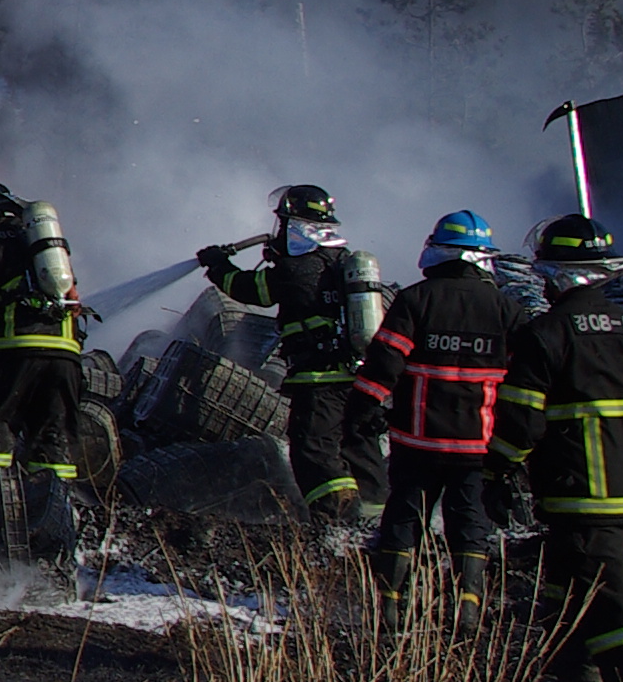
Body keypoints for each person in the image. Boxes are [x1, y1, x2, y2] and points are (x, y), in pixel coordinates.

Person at [490, 213, 623, 682]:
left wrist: (496, 469)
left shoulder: (546, 335)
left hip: (580, 494)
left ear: (558, 274)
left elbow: (522, 422)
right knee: (566, 585)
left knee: (617, 602)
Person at [354, 211, 524, 630]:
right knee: (470, 522)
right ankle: (467, 606)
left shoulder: (416, 299)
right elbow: (527, 378)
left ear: (438, 250)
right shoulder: (506, 309)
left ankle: (390, 607)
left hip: (418, 440)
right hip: (477, 445)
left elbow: (385, 359)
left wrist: (365, 406)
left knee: (404, 517)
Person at [200, 184, 388, 524]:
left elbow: (250, 290)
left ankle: (337, 521)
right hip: (357, 379)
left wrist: (218, 265)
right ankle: (376, 523)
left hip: (318, 380)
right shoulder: (342, 262)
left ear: (295, 226)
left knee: (313, 448)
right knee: (359, 446)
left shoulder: (297, 268)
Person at [0, 183, 85, 563]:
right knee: (53, 441)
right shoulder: (47, 249)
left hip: (16, 354)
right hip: (66, 357)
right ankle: (53, 534)